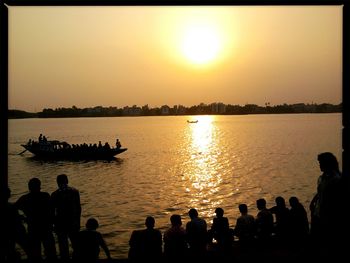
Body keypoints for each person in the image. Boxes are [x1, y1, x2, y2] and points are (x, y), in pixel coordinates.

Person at [309, 152, 344, 258]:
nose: (319, 165)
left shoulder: (336, 179)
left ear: (327, 163)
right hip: (318, 214)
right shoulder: (321, 178)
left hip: (328, 217)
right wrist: (314, 201)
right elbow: (321, 192)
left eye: (321, 163)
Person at [15, 178, 57, 262]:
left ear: (29, 187)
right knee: (50, 253)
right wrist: (53, 223)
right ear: (39, 186)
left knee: (35, 254)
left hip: (33, 229)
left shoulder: (25, 198)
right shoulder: (45, 196)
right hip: (46, 228)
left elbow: (13, 209)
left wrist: (22, 217)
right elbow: (52, 211)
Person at [51, 174, 81, 261]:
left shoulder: (54, 194)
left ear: (57, 183)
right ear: (67, 181)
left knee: (63, 248)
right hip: (72, 222)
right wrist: (78, 222)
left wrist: (54, 224)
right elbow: (78, 208)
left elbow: (52, 212)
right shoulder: (75, 191)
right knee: (76, 246)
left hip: (61, 223)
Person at [1, 187, 29, 262]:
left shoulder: (11, 206)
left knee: (9, 249)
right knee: (27, 248)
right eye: (8, 193)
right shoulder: (11, 207)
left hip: (11, 232)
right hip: (15, 231)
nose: (9, 194)